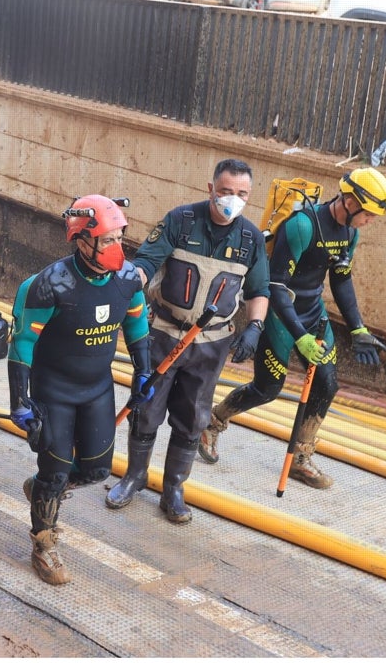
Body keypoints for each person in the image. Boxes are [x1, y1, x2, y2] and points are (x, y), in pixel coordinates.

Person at [199, 167, 386, 490]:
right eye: (369, 213)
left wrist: (358, 329)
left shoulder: (351, 232)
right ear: (349, 202)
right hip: (281, 313)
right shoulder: (302, 226)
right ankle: (213, 421)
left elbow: (341, 279)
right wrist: (299, 337)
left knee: (327, 385)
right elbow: (275, 285)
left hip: (312, 313)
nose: (371, 221)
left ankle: (301, 458)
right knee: (267, 389)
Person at [104, 159, 270, 523]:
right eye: (226, 191)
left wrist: (254, 326)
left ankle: (174, 488)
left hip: (211, 345)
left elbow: (259, 290)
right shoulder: (180, 221)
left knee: (193, 417)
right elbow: (146, 263)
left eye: (241, 194)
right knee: (146, 406)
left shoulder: (251, 240)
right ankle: (134, 476)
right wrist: (122, 294)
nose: (233, 200)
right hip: (163, 333)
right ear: (211, 188)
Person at [7, 195, 151, 585]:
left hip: (97, 389)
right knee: (54, 472)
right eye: (106, 240)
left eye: (120, 237)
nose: (116, 248)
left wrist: (143, 372)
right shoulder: (47, 285)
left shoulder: (127, 281)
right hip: (54, 391)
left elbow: (137, 328)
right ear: (81, 239)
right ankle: (43, 542)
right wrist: (20, 401)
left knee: (96, 469)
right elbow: (21, 344)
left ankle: (40, 490)